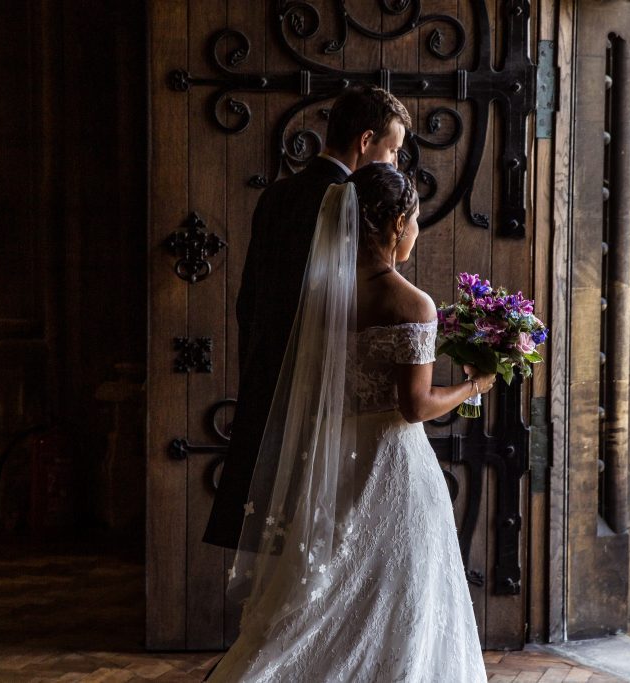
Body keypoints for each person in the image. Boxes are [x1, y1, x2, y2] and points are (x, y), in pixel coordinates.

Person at [206, 163, 495, 681]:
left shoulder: (321, 295)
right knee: (397, 592)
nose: (416, 232)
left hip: (333, 456)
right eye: (414, 220)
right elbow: (415, 406)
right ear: (392, 224)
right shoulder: (411, 303)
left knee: (324, 587)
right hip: (392, 464)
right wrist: (475, 386)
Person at [204, 85, 412, 550]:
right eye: (392, 149)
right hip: (323, 393)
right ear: (365, 141)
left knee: (278, 536)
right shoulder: (350, 203)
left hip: (268, 377)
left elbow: (250, 300)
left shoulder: (277, 195)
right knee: (319, 538)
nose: (394, 163)